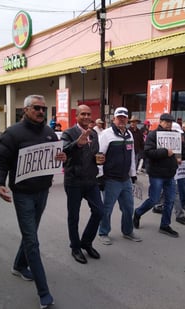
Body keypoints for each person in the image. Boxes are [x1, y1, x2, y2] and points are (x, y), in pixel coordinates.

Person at [0, 94, 66, 309]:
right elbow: (0, 161)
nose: (41, 111)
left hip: (43, 191)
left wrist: (62, 158)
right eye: (36, 108)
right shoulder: (12, 133)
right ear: (25, 110)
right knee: (32, 240)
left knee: (29, 233)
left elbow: (58, 156)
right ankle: (44, 294)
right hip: (22, 194)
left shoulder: (50, 133)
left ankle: (18, 265)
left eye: (43, 108)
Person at [61, 105, 104, 264]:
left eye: (88, 114)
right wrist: (77, 143)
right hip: (74, 181)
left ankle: (86, 242)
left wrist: (99, 158)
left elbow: (95, 153)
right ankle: (75, 247)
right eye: (83, 114)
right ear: (76, 116)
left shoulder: (93, 133)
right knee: (74, 216)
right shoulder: (68, 133)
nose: (86, 117)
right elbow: (64, 150)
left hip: (91, 180)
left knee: (99, 211)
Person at [98, 107, 141, 245]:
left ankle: (127, 231)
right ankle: (103, 232)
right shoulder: (106, 134)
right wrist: (100, 176)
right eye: (119, 117)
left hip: (125, 179)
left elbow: (132, 156)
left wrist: (133, 175)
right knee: (107, 208)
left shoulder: (129, 134)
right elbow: (99, 155)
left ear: (127, 119)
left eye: (124, 117)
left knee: (128, 207)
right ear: (114, 119)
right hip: (111, 179)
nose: (122, 119)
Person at [133, 113, 179, 237]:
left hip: (170, 173)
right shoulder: (153, 135)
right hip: (157, 173)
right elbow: (148, 152)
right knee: (153, 199)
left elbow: (177, 151)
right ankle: (138, 213)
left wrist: (178, 156)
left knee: (169, 201)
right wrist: (165, 152)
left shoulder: (174, 135)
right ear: (161, 122)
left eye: (171, 122)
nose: (169, 124)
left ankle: (165, 225)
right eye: (166, 121)